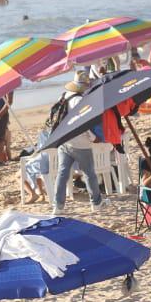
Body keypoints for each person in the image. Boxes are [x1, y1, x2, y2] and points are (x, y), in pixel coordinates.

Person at [51, 79, 106, 214]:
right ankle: (96, 203)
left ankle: (58, 206)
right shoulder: (81, 100)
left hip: (64, 140)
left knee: (62, 174)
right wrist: (94, 138)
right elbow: (83, 123)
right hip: (81, 143)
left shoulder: (63, 96)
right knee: (89, 174)